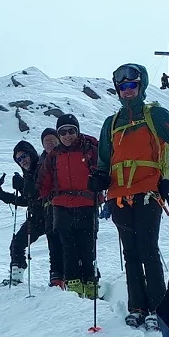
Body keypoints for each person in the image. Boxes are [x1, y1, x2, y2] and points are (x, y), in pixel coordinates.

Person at [92, 63, 169, 327]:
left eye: (132, 85)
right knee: (131, 252)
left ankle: (158, 308)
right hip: (118, 196)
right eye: (122, 86)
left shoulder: (155, 116)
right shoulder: (111, 124)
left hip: (148, 191)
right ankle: (137, 306)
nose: (127, 91)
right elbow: (105, 160)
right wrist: (101, 177)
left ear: (141, 86)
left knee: (147, 249)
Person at [37, 114, 101, 296]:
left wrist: (100, 183)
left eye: (71, 131)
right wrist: (36, 194)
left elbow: (103, 169)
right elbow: (44, 179)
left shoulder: (89, 148)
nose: (67, 135)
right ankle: (74, 285)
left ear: (77, 131)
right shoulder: (54, 155)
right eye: (63, 132)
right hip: (61, 206)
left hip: (86, 204)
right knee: (69, 247)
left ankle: (89, 283)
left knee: (87, 245)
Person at [0, 141, 58, 285]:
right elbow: (26, 199)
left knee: (56, 249)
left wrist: (21, 187)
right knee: (17, 243)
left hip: (51, 215)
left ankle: (61, 279)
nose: (22, 161)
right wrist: (3, 195)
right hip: (37, 218)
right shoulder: (28, 173)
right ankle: (16, 276)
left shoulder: (42, 168)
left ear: (32, 154)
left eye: (24, 156)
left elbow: (37, 193)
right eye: (19, 159)